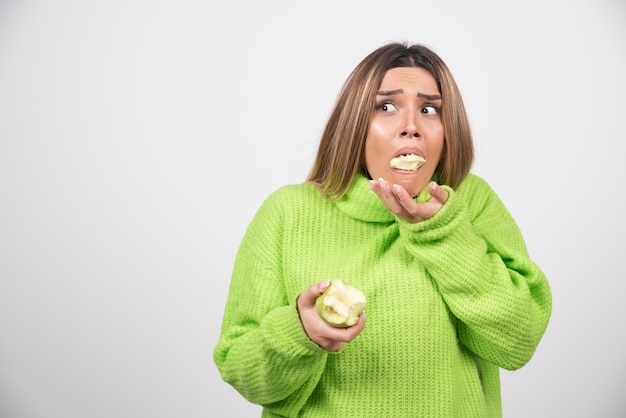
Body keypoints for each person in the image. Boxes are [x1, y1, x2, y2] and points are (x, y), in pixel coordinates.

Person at [213, 42, 552, 417]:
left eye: (429, 109)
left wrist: (443, 235)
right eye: (386, 107)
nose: (411, 127)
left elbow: (517, 342)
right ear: (355, 123)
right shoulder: (287, 213)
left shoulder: (471, 203)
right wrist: (300, 333)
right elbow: (242, 371)